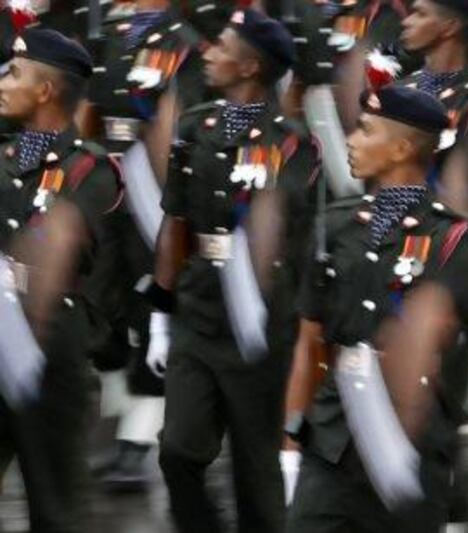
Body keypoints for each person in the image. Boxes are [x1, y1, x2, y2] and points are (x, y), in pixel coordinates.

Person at [284, 84, 468, 532]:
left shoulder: (457, 239)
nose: (351, 142)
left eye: (364, 131)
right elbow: (309, 340)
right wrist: (289, 446)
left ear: (400, 148)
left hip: (408, 439)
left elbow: (451, 340)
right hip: (333, 433)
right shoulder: (335, 225)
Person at [147, 8, 320, 533]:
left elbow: (305, 240)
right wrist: (160, 309)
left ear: (250, 67)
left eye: (222, 46)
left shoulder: (293, 144)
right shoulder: (194, 126)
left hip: (262, 322)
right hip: (198, 309)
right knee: (178, 450)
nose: (209, 52)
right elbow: (174, 221)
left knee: (256, 472)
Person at [80, 0, 211, 489]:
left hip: (153, 191)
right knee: (101, 300)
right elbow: (93, 105)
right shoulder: (115, 27)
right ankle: (119, 415)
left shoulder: (180, 42)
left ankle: (140, 436)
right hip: (111, 181)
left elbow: (176, 128)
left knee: (150, 309)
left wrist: (172, 207)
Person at [0, 27, 122, 532]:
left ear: (46, 91)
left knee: (54, 506)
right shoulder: (3, 158)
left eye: (13, 73)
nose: (2, 82)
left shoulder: (89, 169)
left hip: (51, 348)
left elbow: (63, 241)